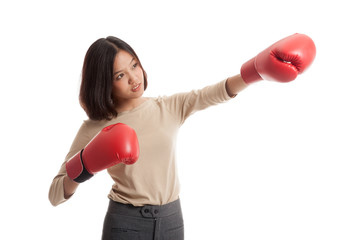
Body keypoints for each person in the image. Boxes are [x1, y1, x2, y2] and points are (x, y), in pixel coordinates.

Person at [49, 34, 316, 239]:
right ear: (105, 83)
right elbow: (55, 194)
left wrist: (256, 70)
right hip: (125, 223)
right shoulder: (95, 127)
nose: (134, 78)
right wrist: (84, 164)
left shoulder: (167, 107)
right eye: (120, 75)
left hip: (172, 219)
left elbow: (209, 94)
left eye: (134, 65)